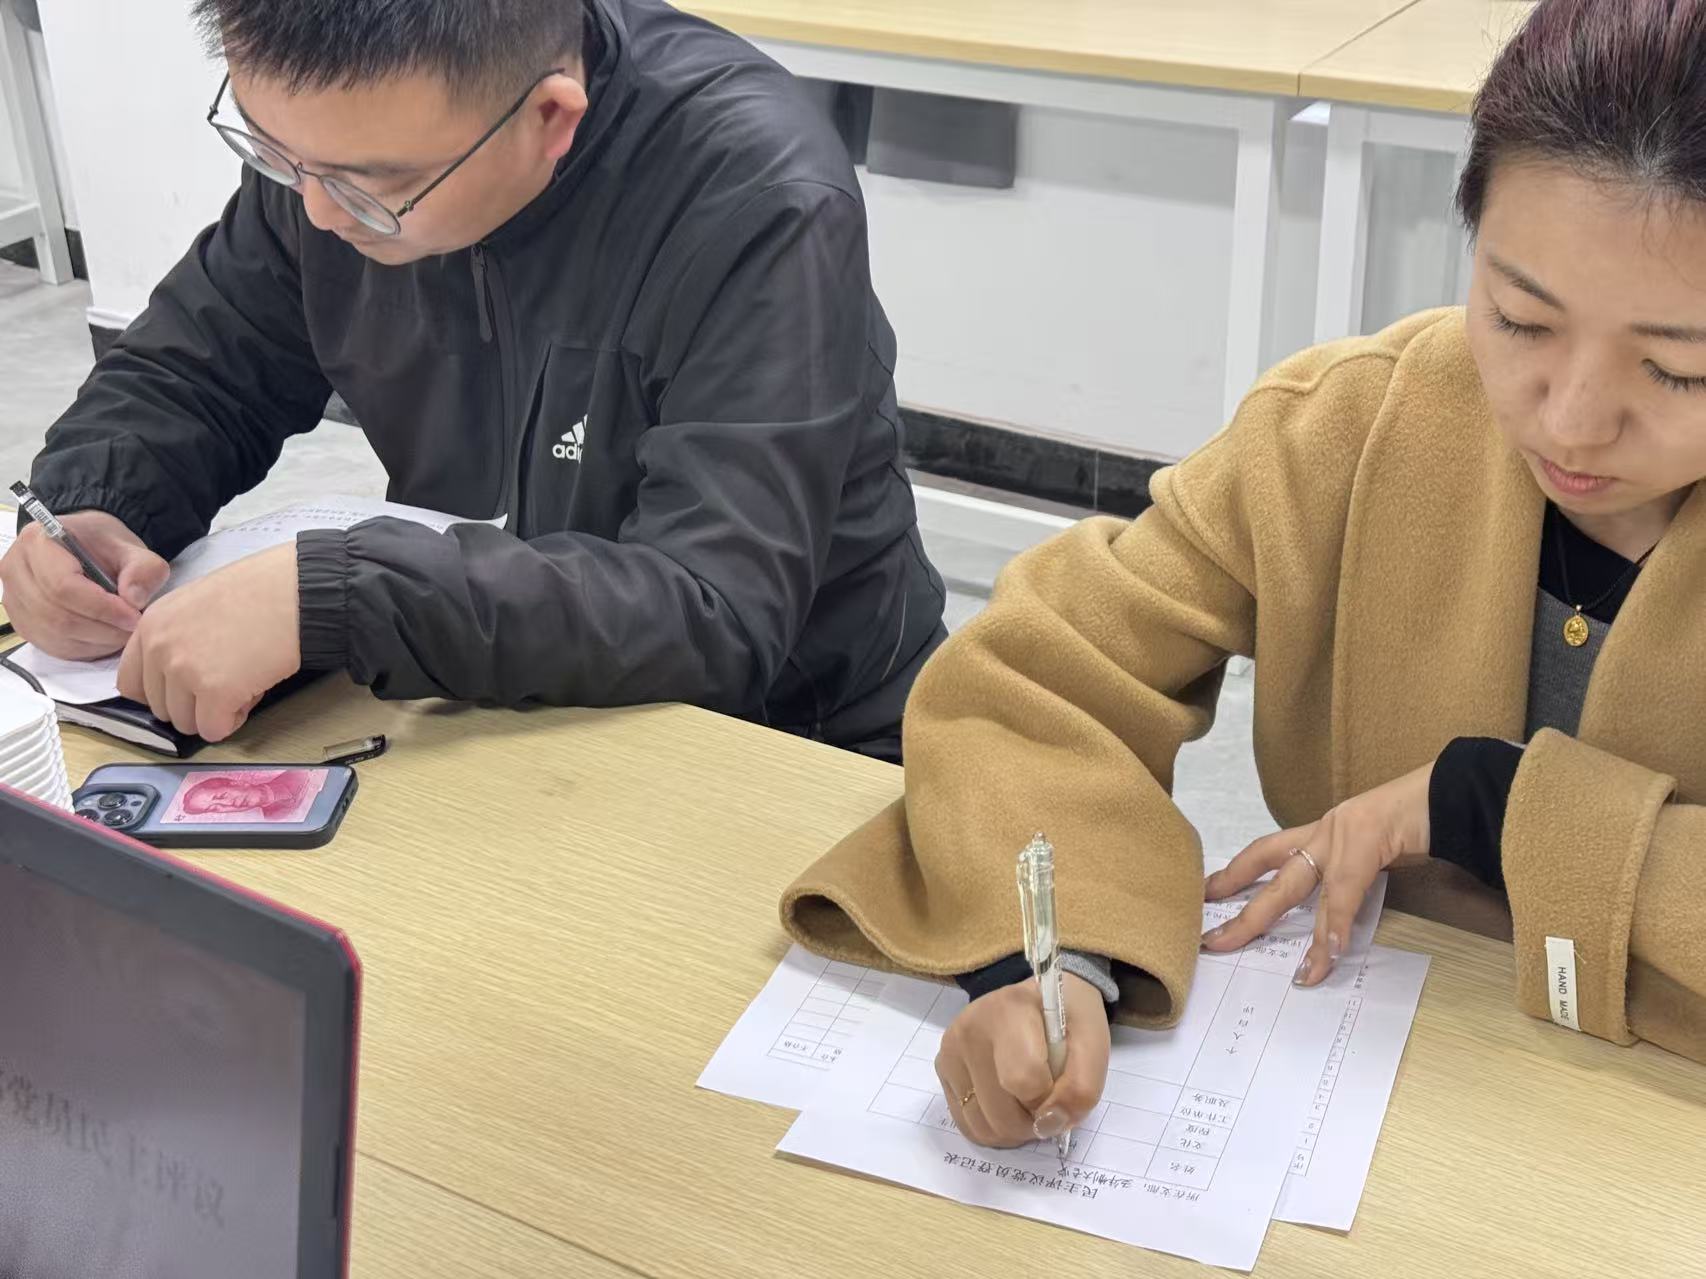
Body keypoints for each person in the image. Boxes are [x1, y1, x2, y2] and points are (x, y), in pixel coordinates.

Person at [779, 0, 1706, 1151]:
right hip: (1367, 1075)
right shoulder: (1352, 426)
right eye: (1519, 320)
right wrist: (1054, 960)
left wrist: (1488, 804)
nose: (1568, 420)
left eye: (1676, 372)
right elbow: (1040, 675)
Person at [0, 0, 946, 757]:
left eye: (368, 185)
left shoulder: (757, 196)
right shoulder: (336, 162)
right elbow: (200, 367)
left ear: (549, 118)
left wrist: (339, 596)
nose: (318, 213)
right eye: (277, 154)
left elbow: (714, 609)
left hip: (794, 736)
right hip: (502, 698)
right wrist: (92, 506)